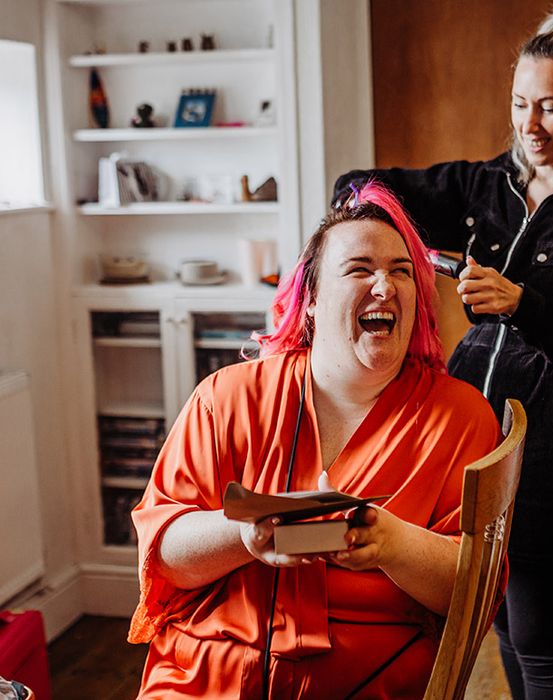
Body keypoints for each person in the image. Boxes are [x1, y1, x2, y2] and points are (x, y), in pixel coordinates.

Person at [333, 4, 553, 697]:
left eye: (550, 107)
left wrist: (523, 304)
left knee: (541, 642)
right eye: (520, 105)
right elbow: (367, 186)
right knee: (506, 628)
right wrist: (361, 226)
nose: (531, 126)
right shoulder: (486, 187)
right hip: (464, 453)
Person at [126, 182, 501, 698]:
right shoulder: (226, 397)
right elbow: (163, 554)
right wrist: (245, 535)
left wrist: (393, 545)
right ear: (311, 301)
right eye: (359, 269)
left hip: (366, 678)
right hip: (206, 670)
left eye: (401, 271)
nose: (385, 286)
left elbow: (477, 588)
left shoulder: (459, 417)